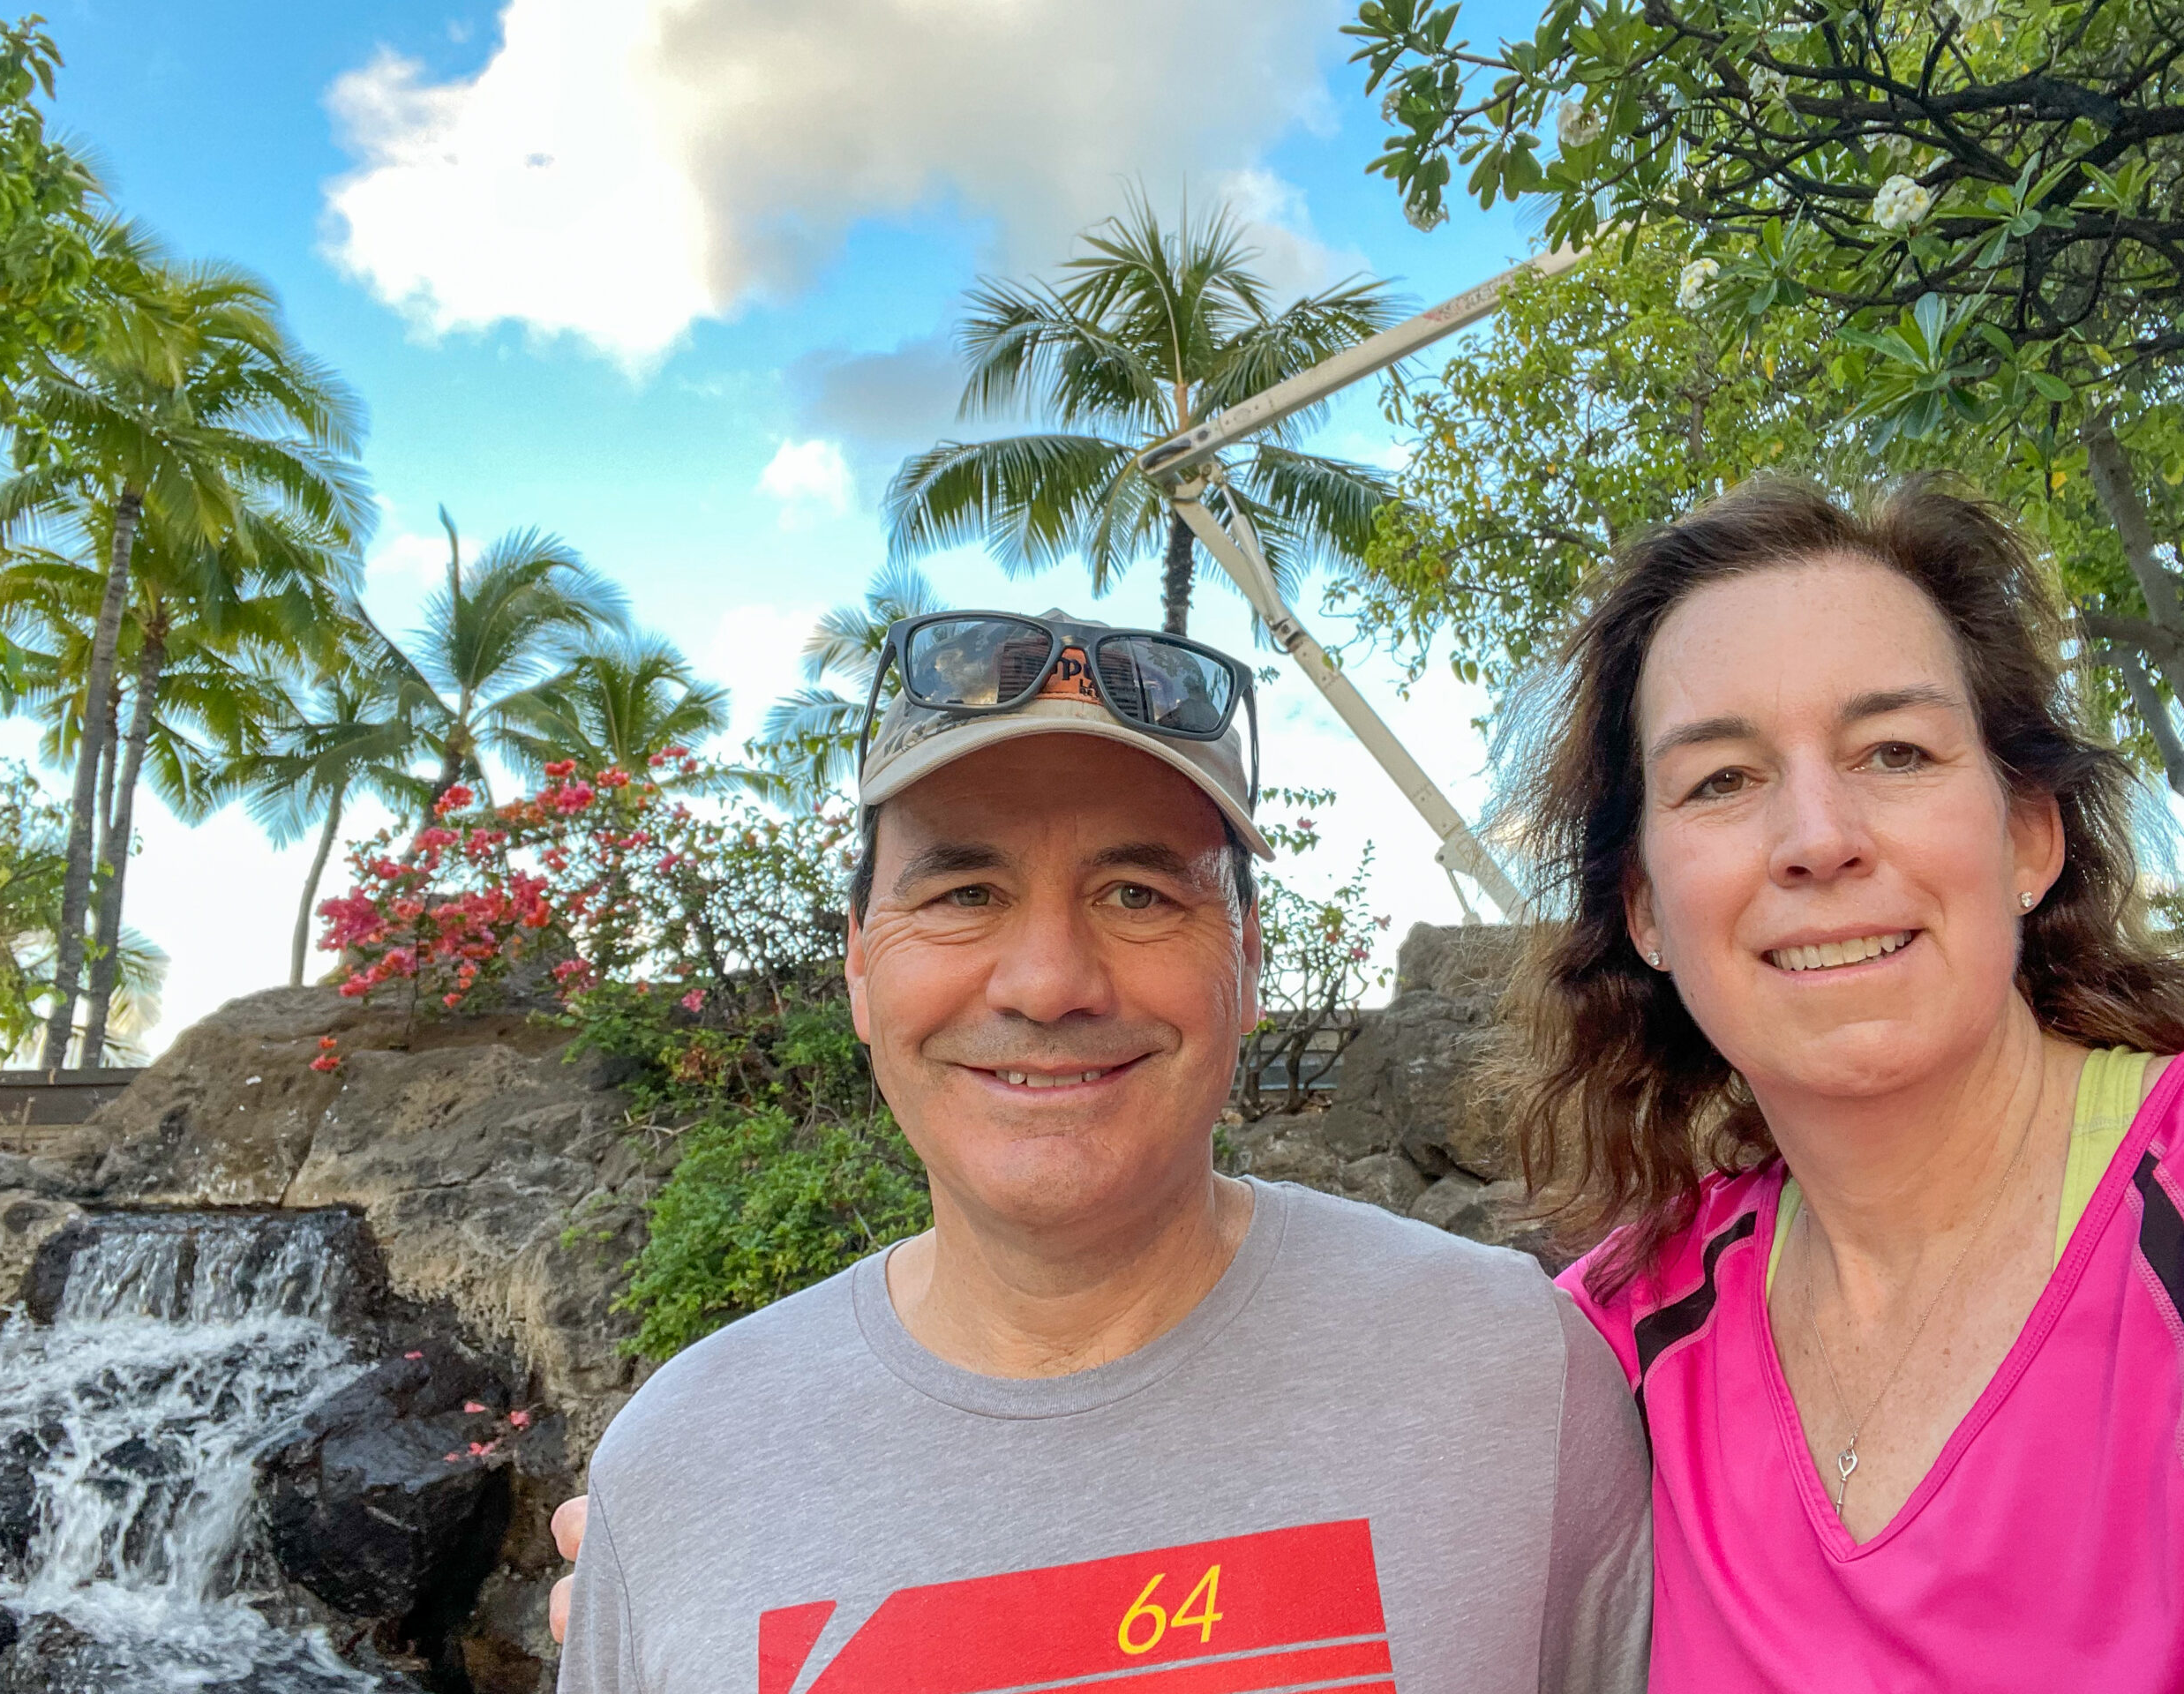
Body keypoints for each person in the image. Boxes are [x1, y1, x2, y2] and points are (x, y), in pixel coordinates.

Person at [553, 609, 1650, 1693]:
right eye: (963, 894)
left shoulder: (1514, 1374)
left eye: (1137, 894)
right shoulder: (676, 1475)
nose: (1046, 983)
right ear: (856, 966)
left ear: (1247, 958)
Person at [1493, 477, 2184, 1690]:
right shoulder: (1627, 1331)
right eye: (1721, 779)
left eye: (1896, 752)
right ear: (1646, 908)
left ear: (2029, 836)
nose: (1819, 836)